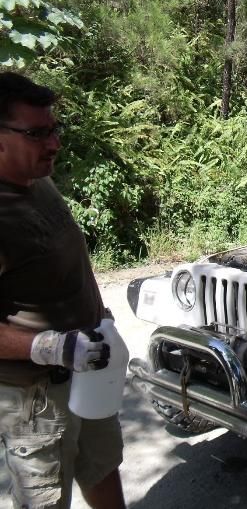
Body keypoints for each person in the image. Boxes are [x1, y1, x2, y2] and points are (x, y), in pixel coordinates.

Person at [0, 72, 126, 509]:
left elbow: (68, 261)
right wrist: (49, 347)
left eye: (54, 129)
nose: (54, 143)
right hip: (37, 398)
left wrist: (100, 316)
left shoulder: (39, 180)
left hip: (88, 371)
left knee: (102, 465)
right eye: (37, 134)